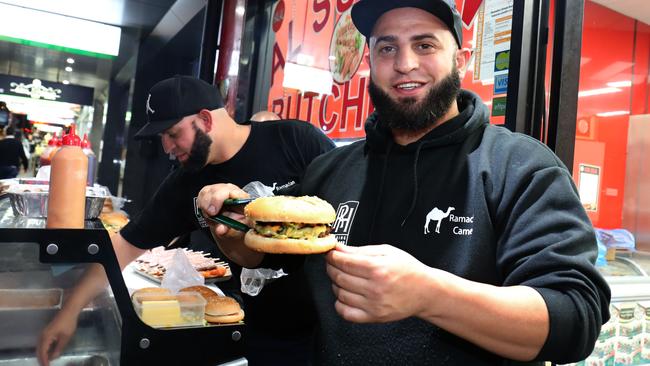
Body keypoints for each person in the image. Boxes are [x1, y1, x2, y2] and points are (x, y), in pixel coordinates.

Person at [197, 1, 611, 365]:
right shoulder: (330, 170)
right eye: (387, 47)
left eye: (425, 44)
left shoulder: (521, 166)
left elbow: (574, 316)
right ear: (371, 61)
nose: (405, 63)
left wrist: (430, 295)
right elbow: (277, 259)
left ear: (461, 59)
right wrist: (236, 237)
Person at [37, 75, 335, 366]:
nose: (167, 147)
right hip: (264, 334)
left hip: (331, 320)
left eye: (173, 133)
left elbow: (351, 201)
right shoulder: (184, 184)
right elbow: (124, 245)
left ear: (205, 119)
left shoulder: (294, 139)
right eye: (162, 137)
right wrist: (69, 312)